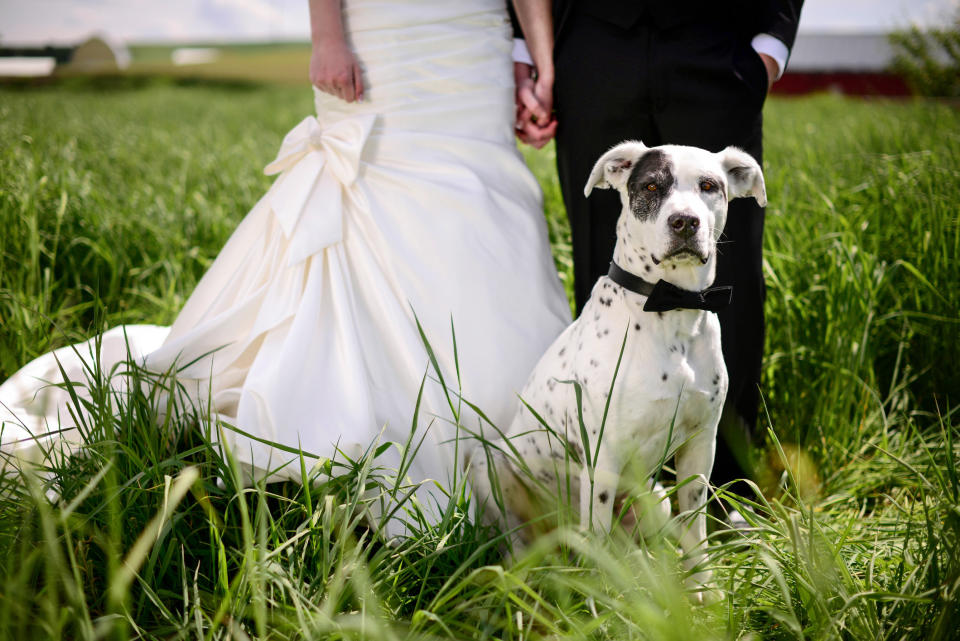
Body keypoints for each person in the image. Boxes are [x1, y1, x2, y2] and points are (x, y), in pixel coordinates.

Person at [0, 0, 569, 525]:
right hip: (387, 38)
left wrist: (535, 58)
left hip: (475, 42)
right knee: (382, 206)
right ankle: (371, 417)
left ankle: (525, 443)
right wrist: (326, 35)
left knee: (484, 216)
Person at [512, 2, 803, 490]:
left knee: (730, 279)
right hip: (591, 47)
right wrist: (530, 50)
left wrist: (770, 45)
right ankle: (623, 497)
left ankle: (729, 492)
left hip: (716, 49)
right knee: (600, 261)